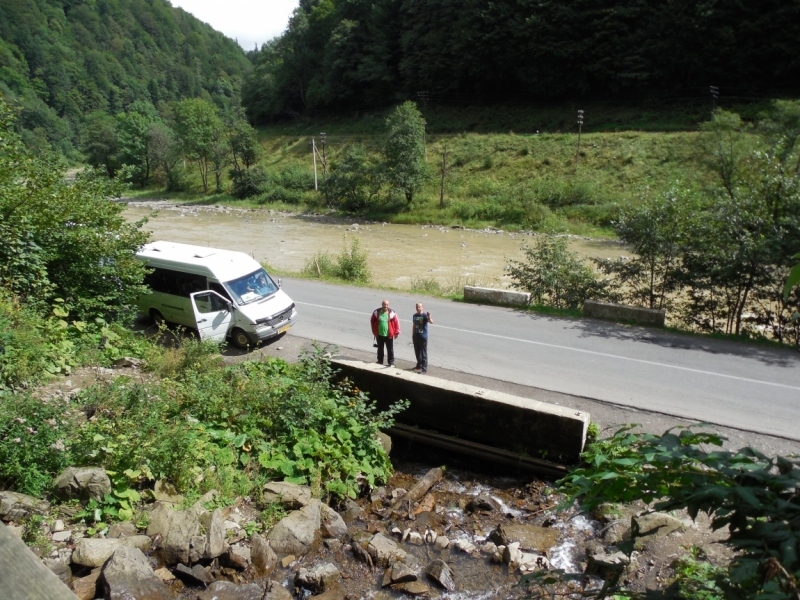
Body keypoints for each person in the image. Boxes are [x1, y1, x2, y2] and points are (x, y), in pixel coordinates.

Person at [370, 299, 400, 366]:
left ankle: (391, 363)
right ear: (382, 305)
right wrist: (373, 330)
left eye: (387, 305)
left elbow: (396, 323)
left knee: (390, 350)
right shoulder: (376, 312)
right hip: (379, 335)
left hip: (389, 335)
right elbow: (372, 321)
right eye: (384, 304)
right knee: (380, 349)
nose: (385, 306)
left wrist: (397, 332)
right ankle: (380, 361)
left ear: (388, 305)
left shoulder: (392, 313)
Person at [411, 302, 433, 373]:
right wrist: (413, 334)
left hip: (423, 337)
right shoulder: (414, 315)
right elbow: (414, 325)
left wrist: (429, 318)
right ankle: (419, 365)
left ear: (422, 307)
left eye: (419, 307)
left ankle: (424, 369)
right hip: (416, 336)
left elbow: (431, 322)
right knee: (417, 352)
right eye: (417, 307)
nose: (418, 308)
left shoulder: (424, 316)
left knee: (423, 353)